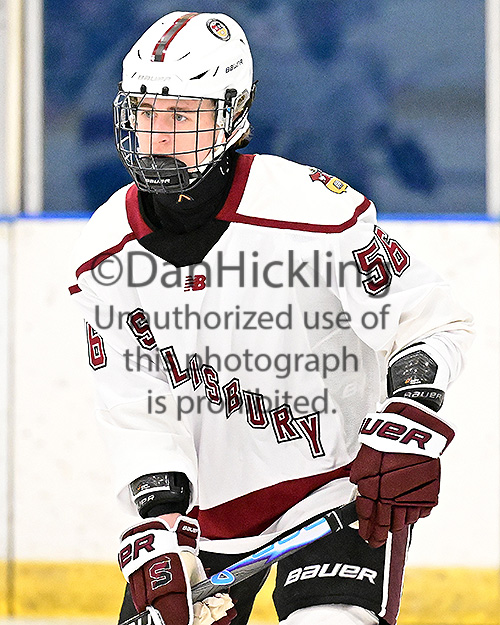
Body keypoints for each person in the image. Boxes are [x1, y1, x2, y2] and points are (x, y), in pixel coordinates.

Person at [69, 11, 474, 625]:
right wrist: (158, 536)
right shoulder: (105, 253)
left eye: (183, 116)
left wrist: (408, 416)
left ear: (232, 114)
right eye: (147, 113)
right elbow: (135, 407)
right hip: (201, 520)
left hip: (332, 496)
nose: (159, 137)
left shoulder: (313, 212)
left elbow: (431, 320)